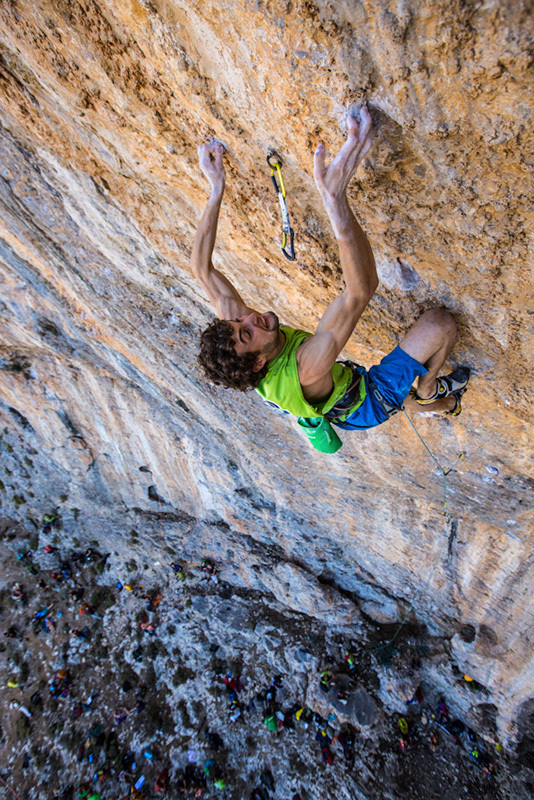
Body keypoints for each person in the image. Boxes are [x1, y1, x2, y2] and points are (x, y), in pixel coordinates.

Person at [191, 106, 470, 444]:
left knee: (401, 395)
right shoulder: (306, 366)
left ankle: (440, 402)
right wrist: (336, 201)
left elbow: (202, 268)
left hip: (339, 388)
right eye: (246, 333)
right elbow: (360, 291)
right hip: (366, 404)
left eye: (239, 323)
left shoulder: (240, 338)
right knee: (439, 324)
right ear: (258, 363)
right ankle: (428, 388)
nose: (251, 318)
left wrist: (216, 187)